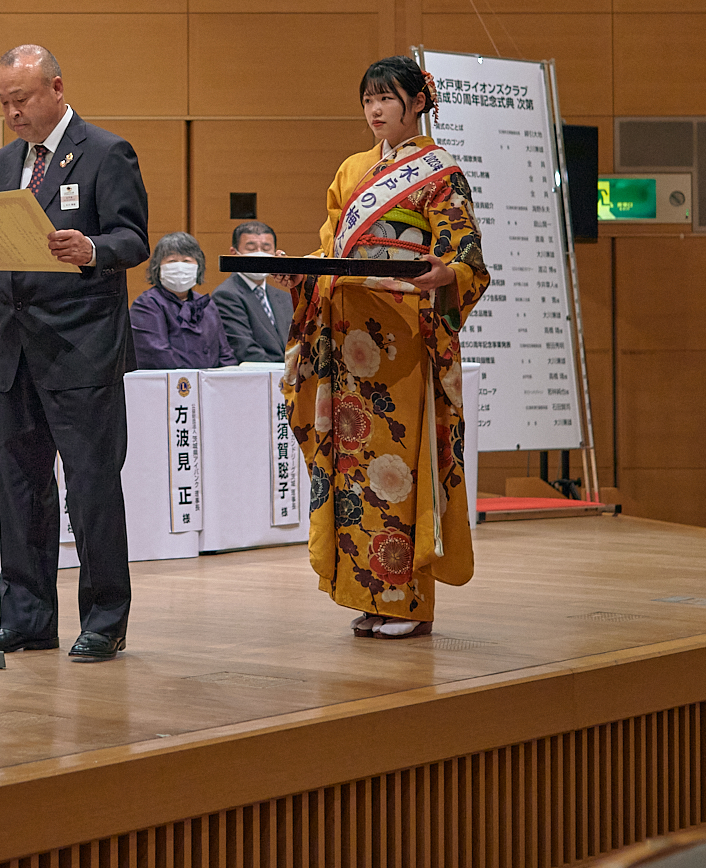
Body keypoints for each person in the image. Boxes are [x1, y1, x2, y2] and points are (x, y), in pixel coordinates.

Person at [0, 45, 149, 662]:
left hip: (83, 349)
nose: (12, 113)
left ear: (56, 87)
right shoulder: (1, 163)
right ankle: (27, 617)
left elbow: (133, 238)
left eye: (22, 100)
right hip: (16, 349)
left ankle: (105, 617)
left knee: (90, 489)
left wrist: (92, 248)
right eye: (4, 102)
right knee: (22, 488)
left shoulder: (107, 152)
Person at [275, 56, 489, 641]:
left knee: (398, 465)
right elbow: (329, 247)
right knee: (352, 467)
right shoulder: (350, 170)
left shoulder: (441, 172)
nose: (375, 110)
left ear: (418, 102)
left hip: (399, 339)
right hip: (347, 338)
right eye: (368, 99)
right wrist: (301, 275)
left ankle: (407, 601)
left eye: (387, 99)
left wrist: (442, 274)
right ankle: (366, 595)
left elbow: (465, 255)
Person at [129, 232, 236, 370]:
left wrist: (229, 379)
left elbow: (225, 353)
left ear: (198, 266)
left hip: (212, 386)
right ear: (158, 267)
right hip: (173, 386)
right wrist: (194, 382)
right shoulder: (146, 305)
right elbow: (158, 355)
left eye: (186, 261)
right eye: (172, 261)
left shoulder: (206, 304)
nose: (180, 267)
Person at [212, 221, 292, 364]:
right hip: (257, 377)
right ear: (234, 253)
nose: (259, 254)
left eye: (266, 248)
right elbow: (244, 349)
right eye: (251, 248)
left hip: (289, 379)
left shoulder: (284, 296)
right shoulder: (226, 295)